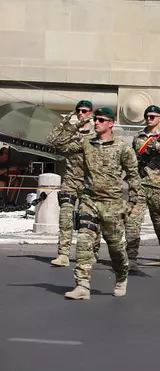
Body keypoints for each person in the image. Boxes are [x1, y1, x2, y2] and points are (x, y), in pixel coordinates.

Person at [48, 107, 140, 300]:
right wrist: (75, 125)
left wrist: (131, 204)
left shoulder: (122, 147)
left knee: (116, 248)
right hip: (89, 201)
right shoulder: (86, 142)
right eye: (95, 119)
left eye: (101, 120)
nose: (96, 122)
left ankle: (121, 275)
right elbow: (56, 143)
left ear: (111, 123)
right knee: (83, 242)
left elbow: (133, 176)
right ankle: (82, 285)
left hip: (112, 205)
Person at [46, 100, 96, 267]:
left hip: (89, 182)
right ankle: (63, 254)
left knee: (87, 220)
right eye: (78, 111)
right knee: (65, 217)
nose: (81, 113)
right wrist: (68, 125)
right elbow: (52, 142)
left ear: (91, 113)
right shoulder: (71, 132)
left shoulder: (96, 133)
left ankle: (90, 252)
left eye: (84, 111)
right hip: (70, 180)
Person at [127, 105, 160, 270]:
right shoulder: (138, 137)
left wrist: (156, 146)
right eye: (147, 116)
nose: (149, 119)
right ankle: (131, 257)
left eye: (153, 116)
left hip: (158, 186)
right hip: (139, 184)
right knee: (132, 222)